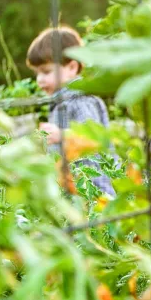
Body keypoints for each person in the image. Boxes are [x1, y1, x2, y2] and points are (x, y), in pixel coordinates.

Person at [26, 25, 116, 197]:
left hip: (95, 192)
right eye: (37, 73)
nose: (39, 79)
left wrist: (62, 135)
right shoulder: (61, 103)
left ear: (72, 67)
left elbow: (94, 138)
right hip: (75, 191)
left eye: (46, 72)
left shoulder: (81, 102)